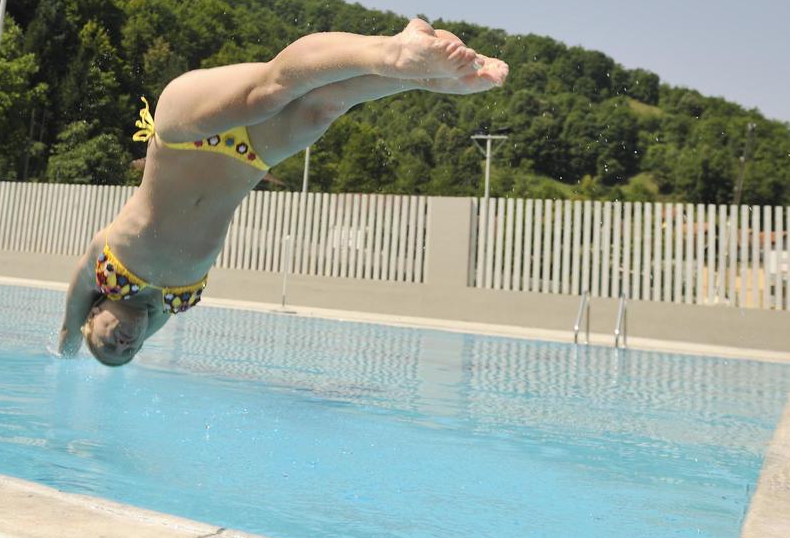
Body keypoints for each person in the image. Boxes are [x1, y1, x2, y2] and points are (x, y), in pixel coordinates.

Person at [58, 18, 509, 365]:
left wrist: (66, 348)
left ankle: (394, 52)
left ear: (91, 318)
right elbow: (134, 333)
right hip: (248, 156)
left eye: (106, 345)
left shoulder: (102, 268)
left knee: (269, 93)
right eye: (127, 356)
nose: (122, 347)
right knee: (324, 108)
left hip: (182, 133)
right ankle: (426, 72)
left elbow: (70, 313)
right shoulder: (167, 306)